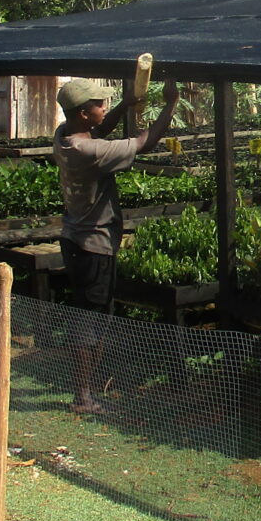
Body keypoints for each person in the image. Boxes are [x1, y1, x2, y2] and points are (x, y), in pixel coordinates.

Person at [53, 74, 180, 409]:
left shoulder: (64, 134)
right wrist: (171, 104)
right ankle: (83, 395)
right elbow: (144, 143)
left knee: (92, 314)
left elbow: (100, 129)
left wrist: (125, 104)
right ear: (83, 113)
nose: (104, 107)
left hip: (75, 238)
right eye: (99, 104)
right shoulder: (89, 151)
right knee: (91, 318)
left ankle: (87, 389)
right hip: (93, 245)